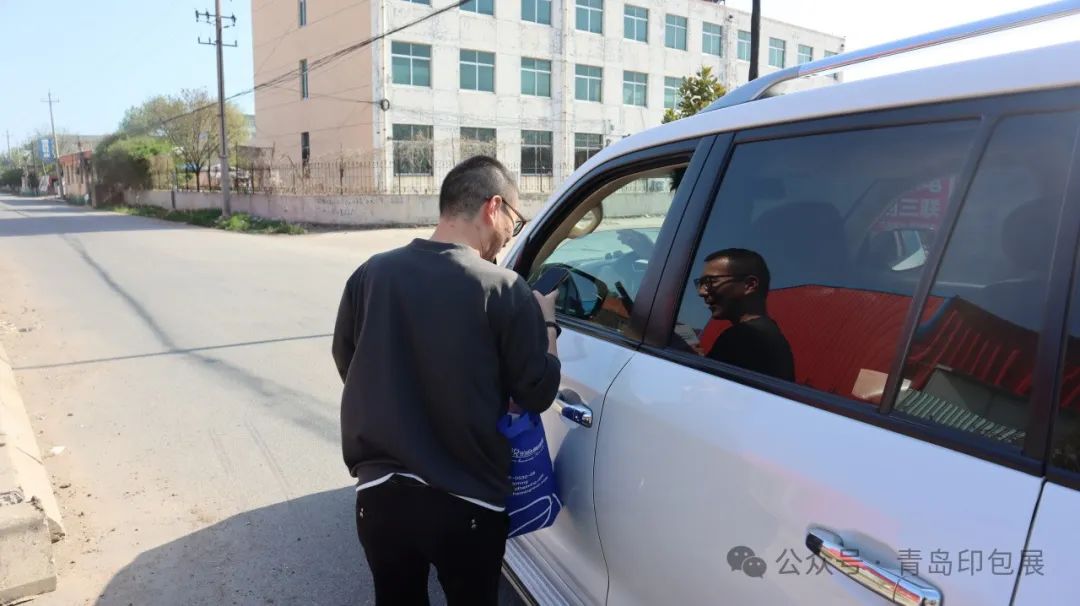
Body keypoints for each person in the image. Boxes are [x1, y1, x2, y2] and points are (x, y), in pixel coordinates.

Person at [332, 155, 561, 606]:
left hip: (379, 498)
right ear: (493, 207)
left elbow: (348, 362)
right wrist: (548, 323)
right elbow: (536, 392)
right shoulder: (504, 288)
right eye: (514, 221)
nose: (510, 235)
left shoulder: (371, 273)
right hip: (467, 503)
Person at [695, 248, 795, 381]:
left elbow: (701, 385)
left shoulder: (741, 338)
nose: (701, 292)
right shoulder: (770, 337)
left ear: (749, 285)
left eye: (710, 282)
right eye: (701, 283)